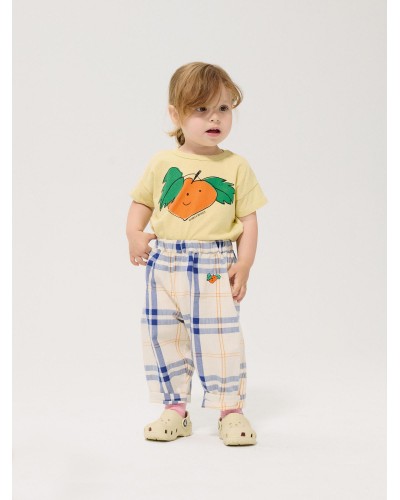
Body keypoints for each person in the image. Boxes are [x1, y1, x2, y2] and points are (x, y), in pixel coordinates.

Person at [126, 62, 268, 446]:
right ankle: (175, 409)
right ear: (175, 115)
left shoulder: (235, 166)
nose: (214, 118)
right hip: (164, 264)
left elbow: (249, 220)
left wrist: (245, 262)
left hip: (213, 266)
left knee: (219, 337)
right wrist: (134, 234)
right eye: (201, 109)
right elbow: (142, 202)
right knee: (164, 335)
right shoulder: (162, 163)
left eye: (223, 108)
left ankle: (230, 410)